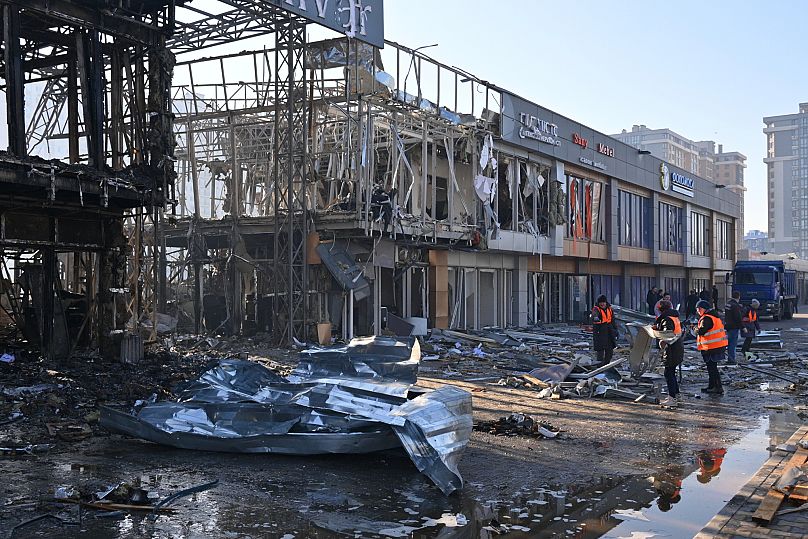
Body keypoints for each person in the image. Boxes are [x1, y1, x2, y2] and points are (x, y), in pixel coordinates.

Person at [654, 299, 684, 407]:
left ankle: (672, 398)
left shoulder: (666, 319)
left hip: (671, 349)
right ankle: (676, 395)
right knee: (671, 372)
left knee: (668, 373)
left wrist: (662, 341)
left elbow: (668, 333)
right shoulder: (674, 317)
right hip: (677, 348)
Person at [695, 299, 728, 395]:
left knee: (712, 368)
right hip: (715, 347)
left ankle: (717, 387)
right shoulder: (714, 317)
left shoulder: (707, 318)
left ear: (703, 309)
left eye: (698, 309)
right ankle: (712, 386)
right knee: (711, 368)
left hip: (712, 348)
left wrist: (695, 329)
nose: (697, 311)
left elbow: (701, 331)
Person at [591, 294, 618, 365]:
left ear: (606, 302)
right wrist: (595, 318)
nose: (602, 304)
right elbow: (594, 315)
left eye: (603, 302)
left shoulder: (610, 309)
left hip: (609, 331)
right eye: (600, 302)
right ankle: (599, 366)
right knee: (600, 350)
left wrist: (615, 330)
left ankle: (606, 364)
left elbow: (613, 320)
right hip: (600, 331)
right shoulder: (596, 309)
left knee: (610, 350)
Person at [724, 291, 743, 365]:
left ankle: (730, 358)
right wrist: (742, 327)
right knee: (732, 344)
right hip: (734, 326)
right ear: (738, 297)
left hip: (728, 326)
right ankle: (731, 359)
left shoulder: (728, 304)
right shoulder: (735, 305)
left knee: (729, 343)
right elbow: (738, 317)